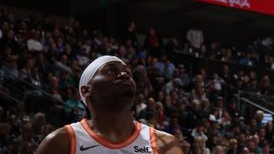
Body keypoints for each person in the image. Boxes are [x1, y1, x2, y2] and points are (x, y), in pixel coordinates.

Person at [36, 55, 182, 154]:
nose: (124, 75)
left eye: (128, 73)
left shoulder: (165, 145)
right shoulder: (61, 142)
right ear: (87, 90)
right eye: (111, 71)